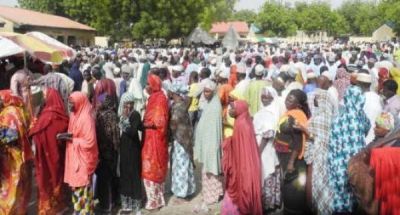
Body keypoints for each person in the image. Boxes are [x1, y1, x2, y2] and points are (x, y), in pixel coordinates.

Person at [328, 86, 370, 214]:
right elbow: (367, 130)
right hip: (356, 162)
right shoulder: (362, 118)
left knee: (340, 190)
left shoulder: (338, 119)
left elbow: (332, 141)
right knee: (355, 188)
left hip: (339, 161)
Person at [29, 88, 69, 214]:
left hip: (45, 157)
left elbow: (34, 133)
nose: (44, 98)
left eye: (46, 96)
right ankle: (60, 206)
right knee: (57, 177)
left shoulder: (45, 116)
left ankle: (49, 208)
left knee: (47, 179)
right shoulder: (61, 116)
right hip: (57, 155)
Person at [221, 100, 263, 215]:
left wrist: (227, 142)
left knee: (242, 188)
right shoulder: (242, 120)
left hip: (243, 164)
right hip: (244, 162)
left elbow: (243, 150)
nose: (230, 110)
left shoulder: (241, 124)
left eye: (232, 108)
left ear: (239, 110)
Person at [60, 92, 99, 214]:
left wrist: (71, 139)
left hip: (83, 159)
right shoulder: (74, 114)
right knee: (76, 189)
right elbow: (76, 133)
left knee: (82, 188)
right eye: (69, 102)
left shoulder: (86, 118)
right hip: (75, 157)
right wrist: (66, 135)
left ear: (80, 103)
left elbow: (90, 141)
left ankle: (84, 212)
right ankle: (79, 211)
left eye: (72, 103)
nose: (69, 105)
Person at [274, 89, 311, 214]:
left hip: (292, 159)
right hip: (285, 156)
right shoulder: (289, 113)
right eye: (287, 97)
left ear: (299, 105)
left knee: (293, 189)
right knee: (288, 186)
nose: (287, 100)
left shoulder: (296, 117)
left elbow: (298, 143)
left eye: (291, 99)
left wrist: (291, 163)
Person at [0, 90, 32, 215]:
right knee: (21, 186)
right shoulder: (19, 109)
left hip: (11, 158)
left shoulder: (9, 113)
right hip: (21, 154)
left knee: (11, 186)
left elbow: (11, 136)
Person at [304, 89, 335, 214]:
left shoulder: (320, 117)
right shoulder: (331, 115)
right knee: (325, 184)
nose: (315, 100)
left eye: (317, 99)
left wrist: (303, 129)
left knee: (316, 183)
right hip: (328, 155)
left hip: (318, 154)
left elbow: (318, 138)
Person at [141, 74, 169, 211]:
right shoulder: (154, 98)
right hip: (151, 137)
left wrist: (145, 124)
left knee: (152, 167)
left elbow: (159, 121)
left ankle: (154, 202)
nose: (146, 86)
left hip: (155, 139)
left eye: (148, 84)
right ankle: (157, 199)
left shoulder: (160, 99)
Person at [194, 80, 223, 207]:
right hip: (207, 143)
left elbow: (214, 129)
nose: (205, 94)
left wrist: (211, 145)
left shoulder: (215, 106)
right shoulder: (209, 104)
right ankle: (210, 193)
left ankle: (213, 195)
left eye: (208, 91)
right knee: (207, 169)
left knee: (212, 168)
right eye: (204, 91)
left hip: (211, 144)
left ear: (213, 91)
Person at [253, 87, 282, 211]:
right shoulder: (265, 110)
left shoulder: (269, 112)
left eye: (267, 96)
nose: (264, 98)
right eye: (263, 95)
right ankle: (271, 202)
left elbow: (267, 134)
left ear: (272, 97)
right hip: (266, 145)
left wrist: (258, 152)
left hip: (265, 147)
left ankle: (267, 203)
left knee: (266, 172)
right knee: (267, 171)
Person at [169, 83, 196, 202]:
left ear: (173, 93)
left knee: (181, 166)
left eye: (169, 91)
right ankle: (189, 190)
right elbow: (190, 97)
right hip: (186, 139)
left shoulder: (178, 107)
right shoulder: (183, 102)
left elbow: (173, 125)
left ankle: (182, 193)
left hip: (180, 140)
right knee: (185, 164)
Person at [94, 94, 120, 213]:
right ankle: (113, 201)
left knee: (104, 178)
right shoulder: (114, 114)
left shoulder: (101, 116)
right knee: (112, 176)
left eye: (100, 102)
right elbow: (116, 136)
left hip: (103, 151)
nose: (98, 104)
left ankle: (106, 205)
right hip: (111, 151)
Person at [118, 92, 143, 214]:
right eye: (126, 103)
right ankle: (126, 204)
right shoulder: (122, 115)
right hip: (124, 149)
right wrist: (123, 119)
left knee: (134, 174)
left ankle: (137, 205)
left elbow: (132, 132)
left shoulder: (135, 115)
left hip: (133, 149)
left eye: (131, 103)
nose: (129, 105)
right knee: (125, 175)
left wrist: (125, 120)